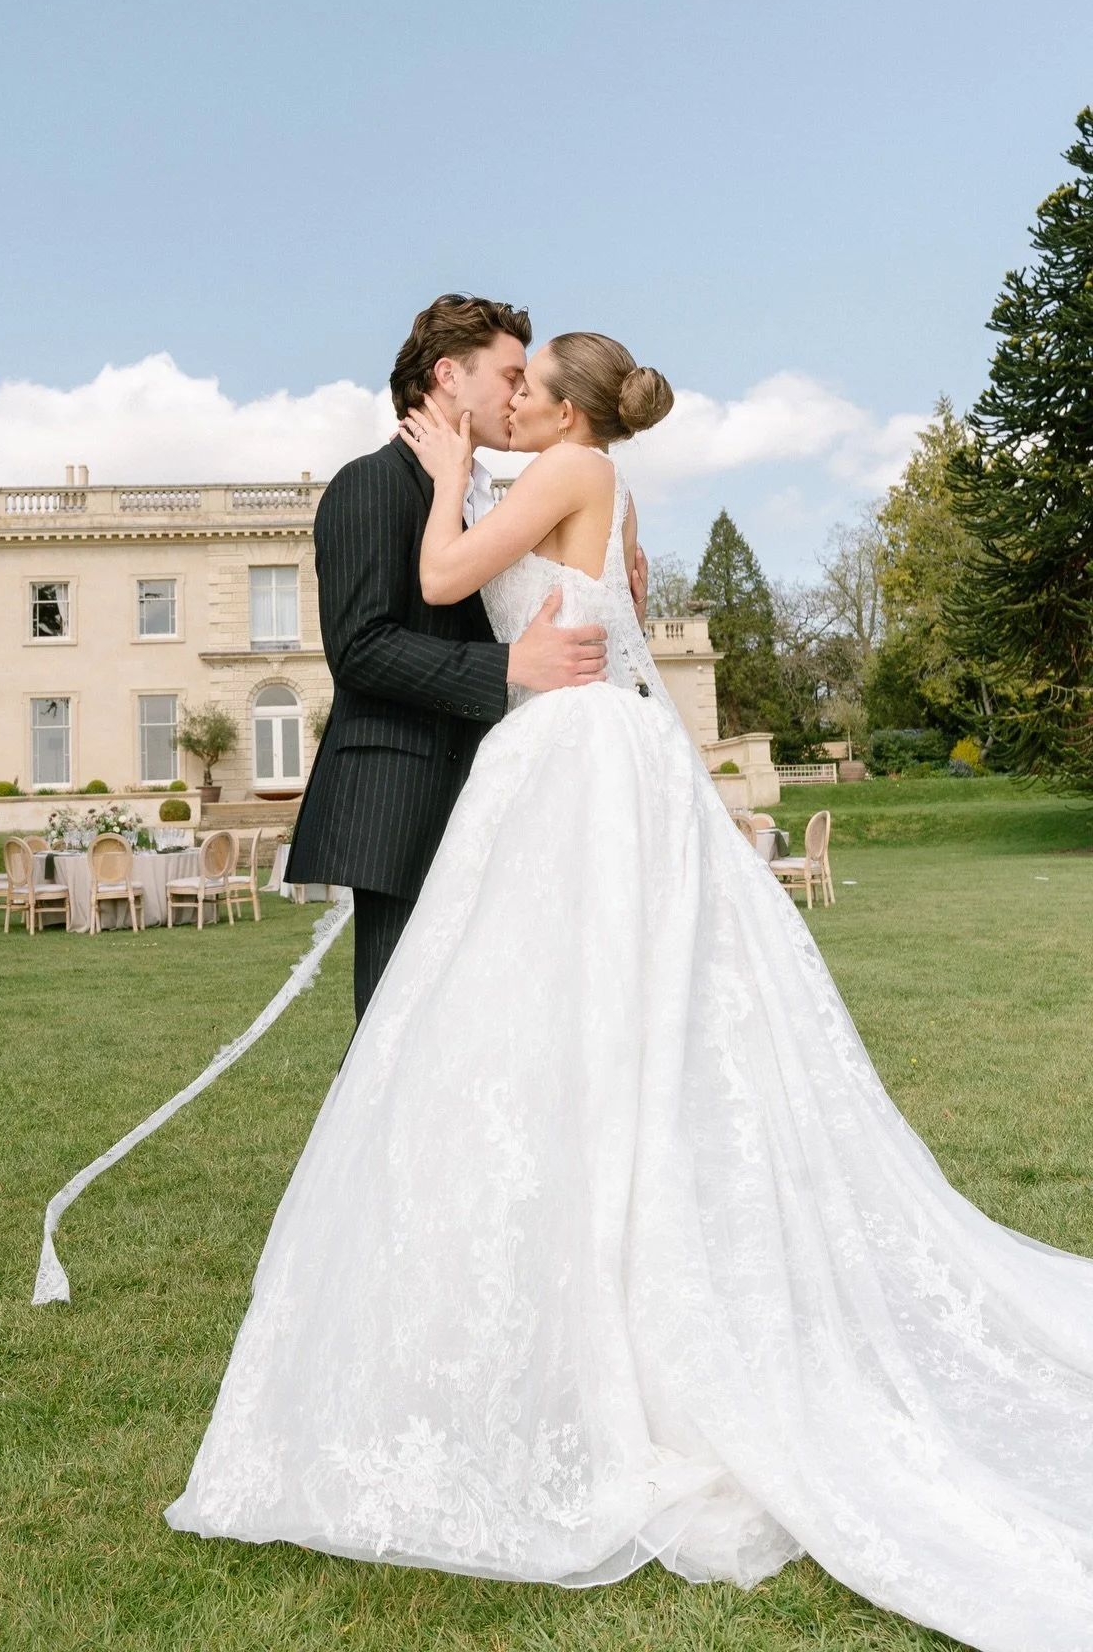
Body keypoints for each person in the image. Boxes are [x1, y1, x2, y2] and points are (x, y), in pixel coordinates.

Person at [167, 329, 1093, 1650]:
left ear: (567, 411)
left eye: (531, 390)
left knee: (556, 1010)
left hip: (567, 759)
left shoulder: (563, 473)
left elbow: (442, 572)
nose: (515, 404)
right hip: (576, 752)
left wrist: (442, 479)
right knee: (568, 1016)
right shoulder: (596, 484)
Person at [284, 293, 644, 1024]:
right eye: (511, 376)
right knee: (398, 1038)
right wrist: (510, 667)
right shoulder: (370, 484)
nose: (520, 394)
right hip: (403, 798)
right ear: (449, 376)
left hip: (496, 791)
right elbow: (361, 648)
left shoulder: (499, 496)